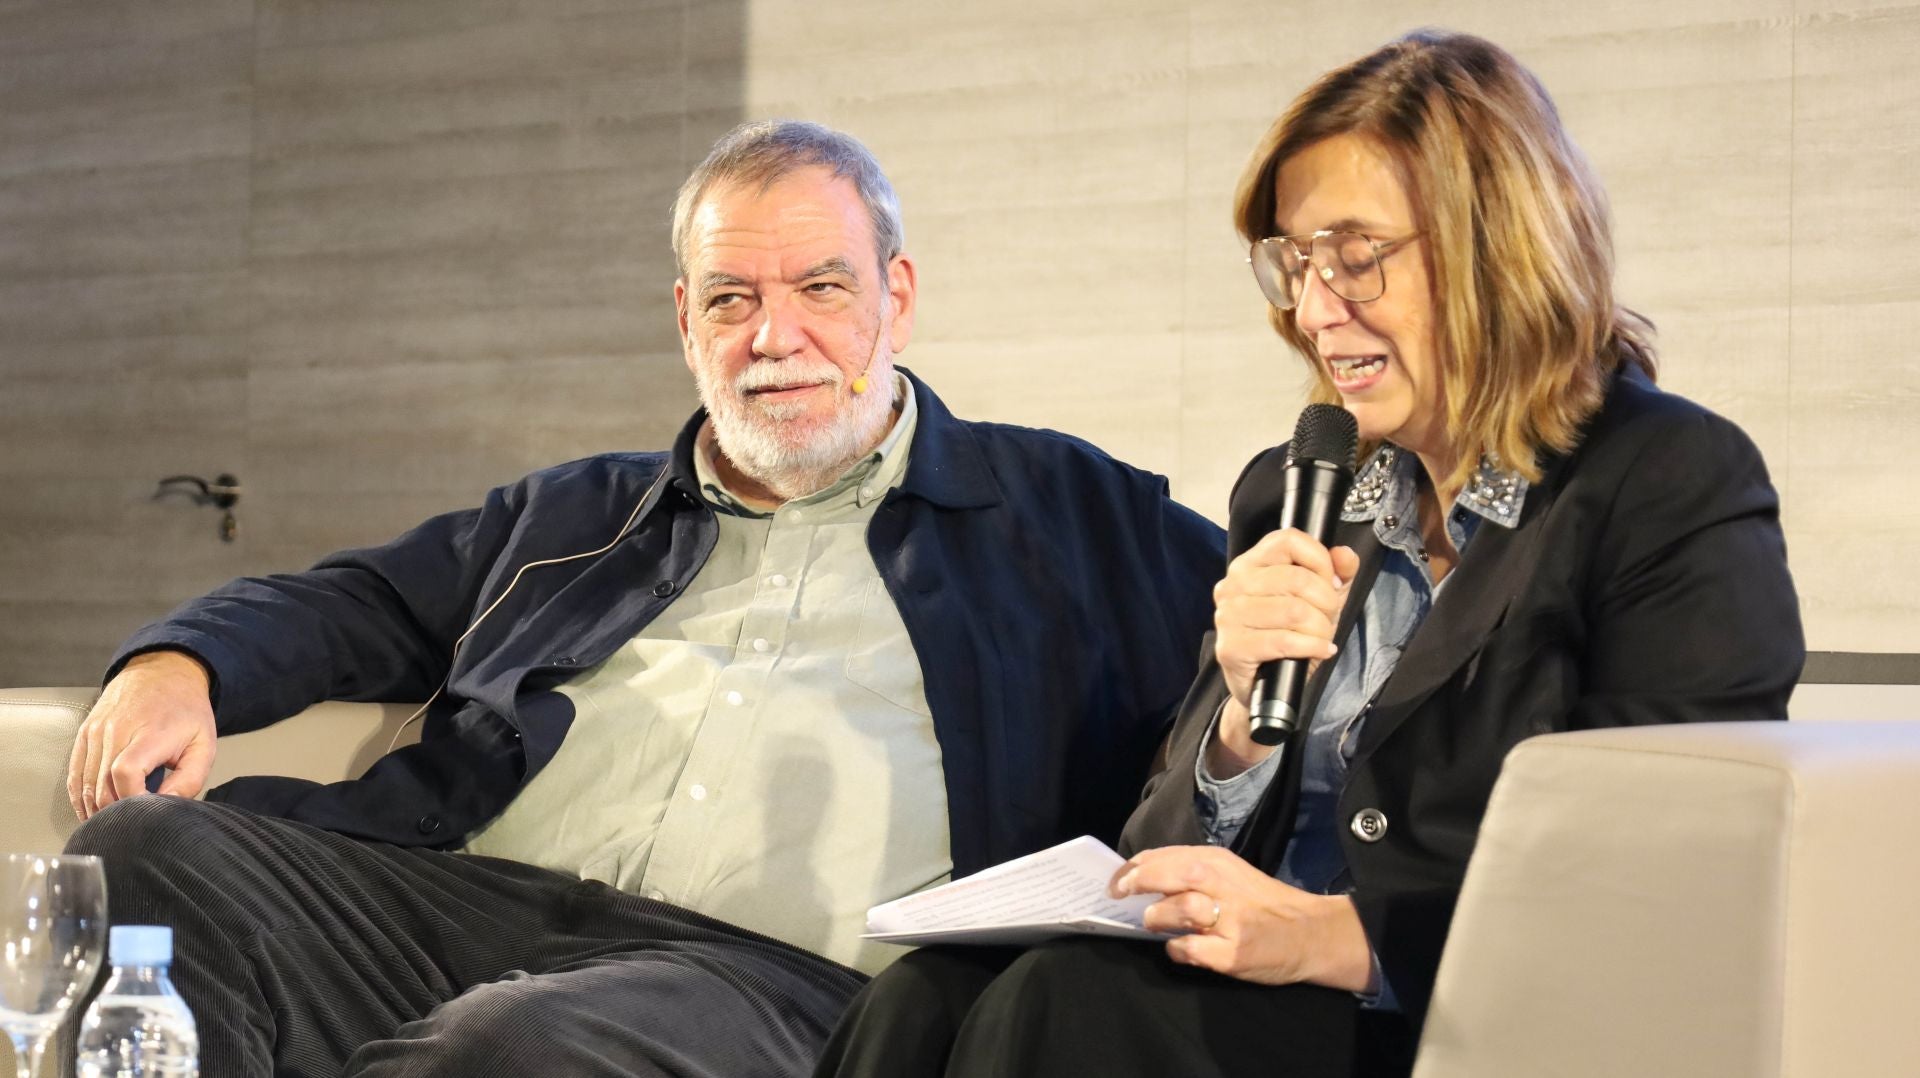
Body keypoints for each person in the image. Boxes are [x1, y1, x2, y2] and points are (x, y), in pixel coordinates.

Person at [60, 120, 1227, 1077]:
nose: (773, 335)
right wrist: (179, 664)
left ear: (898, 295)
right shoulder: (577, 514)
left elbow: (1279, 654)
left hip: (782, 987)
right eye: (730, 299)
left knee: (515, 1045)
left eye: (822, 286)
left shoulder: (1070, 515)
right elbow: (359, 600)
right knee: (141, 851)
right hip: (471, 906)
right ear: (685, 321)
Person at [812, 29, 1804, 1078]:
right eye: (1297, 262)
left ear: (1496, 249)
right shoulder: (1299, 494)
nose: (1316, 309)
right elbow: (1156, 851)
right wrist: (1239, 728)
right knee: (924, 995)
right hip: (1247, 1005)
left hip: (1463, 1026)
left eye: (1357, 258)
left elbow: (1670, 873)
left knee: (1069, 1005)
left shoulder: (1663, 482)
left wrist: (1333, 937)